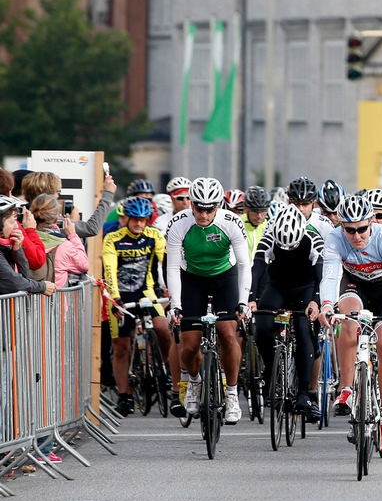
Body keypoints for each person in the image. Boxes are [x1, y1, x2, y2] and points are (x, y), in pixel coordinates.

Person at [323, 194, 382, 455]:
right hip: (356, 287)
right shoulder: (334, 239)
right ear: (341, 226)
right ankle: (347, 388)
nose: (356, 235)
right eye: (349, 230)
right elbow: (330, 276)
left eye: (362, 229)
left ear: (370, 224)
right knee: (347, 321)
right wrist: (327, 305)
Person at [165, 178, 252, 425]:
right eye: (199, 208)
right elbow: (172, 267)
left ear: (218, 206)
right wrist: (175, 305)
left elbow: (245, 264)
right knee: (190, 344)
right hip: (191, 277)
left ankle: (232, 393)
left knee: (227, 333)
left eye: (209, 208)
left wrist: (243, 302)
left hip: (224, 276)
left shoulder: (231, 222)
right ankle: (193, 382)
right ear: (191, 204)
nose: (203, 214)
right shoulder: (178, 224)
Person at [248, 204, 324, 423]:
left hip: (305, 288)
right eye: (285, 247)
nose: (289, 250)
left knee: (303, 330)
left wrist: (316, 301)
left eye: (293, 246)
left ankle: (303, 393)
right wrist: (252, 298)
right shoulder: (270, 234)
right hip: (278, 286)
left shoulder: (312, 238)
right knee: (261, 326)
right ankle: (272, 370)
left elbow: (321, 275)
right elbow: (258, 267)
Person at [101, 196, 167, 417]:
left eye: (143, 219)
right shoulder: (113, 239)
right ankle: (125, 395)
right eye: (135, 219)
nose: (139, 224)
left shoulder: (154, 235)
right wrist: (116, 299)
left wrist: (167, 291)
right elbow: (109, 271)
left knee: (163, 327)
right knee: (122, 347)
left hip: (145, 291)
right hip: (120, 295)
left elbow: (165, 263)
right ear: (127, 218)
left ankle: (164, 369)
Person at [28, 194, 90, 287]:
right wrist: (73, 235)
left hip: (27, 299)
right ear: (56, 219)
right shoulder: (64, 246)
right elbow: (84, 265)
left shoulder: (24, 240)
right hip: (55, 298)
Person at [0, 197, 55, 297]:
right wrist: (41, 287)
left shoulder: (4, 249)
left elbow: (25, 276)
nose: (17, 227)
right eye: (12, 222)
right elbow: (15, 283)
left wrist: (17, 250)